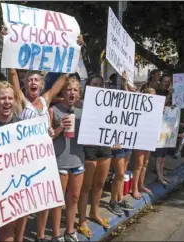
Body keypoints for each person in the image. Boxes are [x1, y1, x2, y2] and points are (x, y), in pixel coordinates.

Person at [2, 24, 85, 242]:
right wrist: (7, 40)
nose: (32, 82)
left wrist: (76, 50)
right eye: (29, 80)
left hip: (45, 158)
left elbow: (63, 78)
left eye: (36, 80)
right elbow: (11, 72)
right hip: (22, 160)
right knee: (22, 205)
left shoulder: (46, 100)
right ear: (24, 84)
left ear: (41, 84)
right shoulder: (20, 101)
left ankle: (40, 236)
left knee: (42, 201)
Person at [0, 81, 54, 241]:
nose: (7, 102)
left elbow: (35, 150)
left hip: (13, 187)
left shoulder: (23, 125)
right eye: (2, 98)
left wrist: (47, 134)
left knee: (7, 236)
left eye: (10, 98)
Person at [77, 74, 115, 239]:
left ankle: (95, 213)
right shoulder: (81, 104)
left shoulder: (109, 104)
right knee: (86, 186)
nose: (98, 86)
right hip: (89, 148)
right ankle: (82, 220)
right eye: (94, 84)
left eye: (100, 84)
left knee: (99, 183)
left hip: (105, 146)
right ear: (88, 87)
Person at [48, 76, 84, 242]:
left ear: (79, 94)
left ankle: (70, 231)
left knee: (74, 197)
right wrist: (61, 127)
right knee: (58, 200)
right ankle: (56, 234)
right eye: (69, 89)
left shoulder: (82, 111)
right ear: (63, 92)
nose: (72, 92)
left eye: (75, 90)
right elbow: (49, 138)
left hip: (78, 160)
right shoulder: (53, 110)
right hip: (60, 160)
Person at [108, 72, 135, 216]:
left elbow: (130, 99)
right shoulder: (108, 98)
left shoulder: (126, 95)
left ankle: (119, 199)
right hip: (116, 141)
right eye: (115, 82)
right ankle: (113, 201)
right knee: (119, 173)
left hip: (127, 138)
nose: (116, 85)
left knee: (122, 173)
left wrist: (125, 84)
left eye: (118, 83)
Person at [132, 87, 156, 200]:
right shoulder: (139, 106)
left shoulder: (157, 107)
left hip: (150, 136)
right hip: (140, 136)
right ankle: (135, 188)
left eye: (154, 94)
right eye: (151, 94)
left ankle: (141, 184)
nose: (153, 97)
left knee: (145, 163)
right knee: (139, 164)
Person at [153, 74, 174, 185]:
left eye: (168, 81)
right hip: (160, 127)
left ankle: (161, 174)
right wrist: (170, 95)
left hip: (168, 126)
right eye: (165, 81)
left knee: (163, 156)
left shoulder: (169, 93)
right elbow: (161, 106)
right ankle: (159, 176)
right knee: (159, 155)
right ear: (160, 82)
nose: (166, 83)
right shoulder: (158, 92)